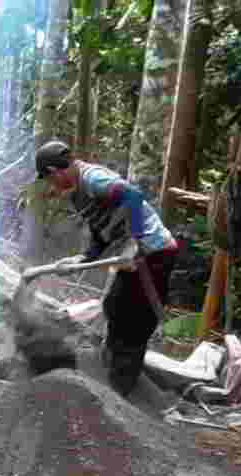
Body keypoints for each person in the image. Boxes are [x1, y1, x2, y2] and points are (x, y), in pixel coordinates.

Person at [35, 139, 179, 397]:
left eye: (49, 179)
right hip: (134, 255)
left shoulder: (93, 180)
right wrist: (85, 258)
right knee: (114, 307)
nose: (51, 185)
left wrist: (134, 242)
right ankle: (110, 377)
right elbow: (101, 230)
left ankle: (120, 391)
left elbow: (133, 196)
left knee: (133, 322)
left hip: (154, 252)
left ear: (54, 172)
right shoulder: (78, 191)